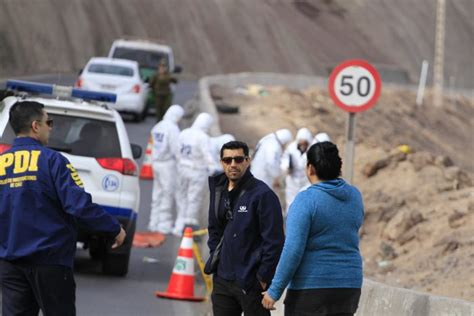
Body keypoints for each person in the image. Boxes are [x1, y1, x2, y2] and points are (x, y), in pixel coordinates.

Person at [0, 101, 126, 316]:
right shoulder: (54, 162)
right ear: (35, 126)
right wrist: (113, 228)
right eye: (48, 121)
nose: (51, 127)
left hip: (10, 261)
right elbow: (78, 204)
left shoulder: (2, 162)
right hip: (50, 261)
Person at [261, 141, 364, 316]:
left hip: (311, 288)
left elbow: (293, 250)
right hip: (349, 285)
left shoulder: (305, 201)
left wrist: (274, 290)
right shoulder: (354, 196)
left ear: (310, 169)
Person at [204, 141, 284, 316]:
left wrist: (262, 278)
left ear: (247, 161)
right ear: (221, 162)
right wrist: (216, 260)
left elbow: (274, 242)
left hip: (251, 282)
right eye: (228, 160)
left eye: (238, 159)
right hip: (223, 280)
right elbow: (214, 229)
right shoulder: (218, 190)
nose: (233, 164)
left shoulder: (263, 195)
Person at [174, 112, 218, 236]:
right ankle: (188, 228)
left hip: (182, 169)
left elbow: (177, 150)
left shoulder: (184, 133)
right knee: (193, 198)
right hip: (197, 171)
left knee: (181, 197)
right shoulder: (203, 137)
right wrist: (213, 168)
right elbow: (207, 156)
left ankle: (178, 225)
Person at [148, 104, 185, 234]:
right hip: (167, 164)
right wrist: (182, 164)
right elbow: (176, 149)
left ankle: (153, 222)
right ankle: (164, 225)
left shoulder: (158, 126)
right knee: (167, 193)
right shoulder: (173, 129)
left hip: (156, 162)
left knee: (157, 193)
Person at [280, 127, 312, 215]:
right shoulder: (291, 148)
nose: (302, 145)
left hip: (306, 181)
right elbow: (285, 159)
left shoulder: (311, 150)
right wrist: (286, 167)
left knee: (305, 204)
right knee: (291, 203)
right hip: (292, 180)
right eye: (300, 142)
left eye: (304, 143)